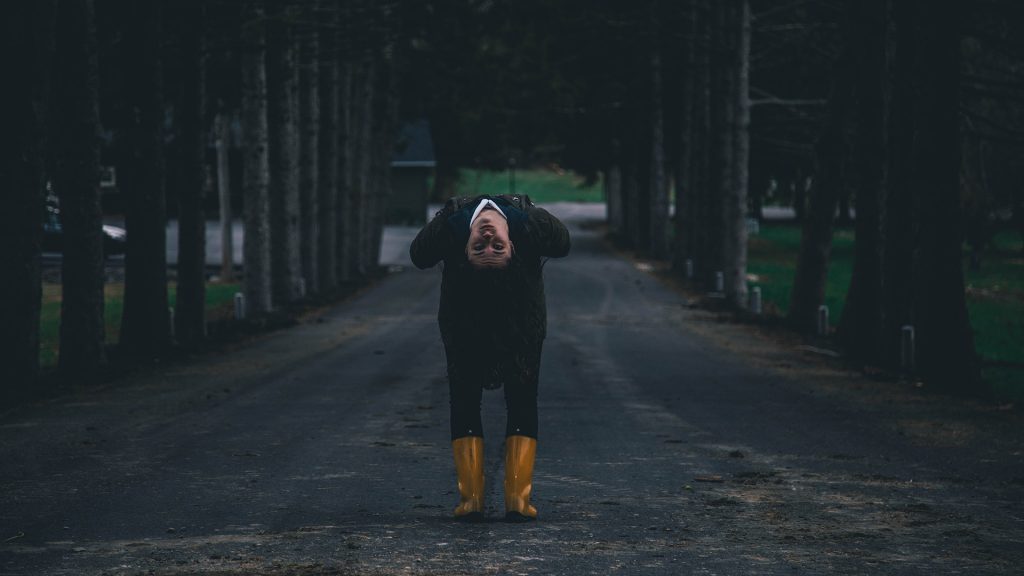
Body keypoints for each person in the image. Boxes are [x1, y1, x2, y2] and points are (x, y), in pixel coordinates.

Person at [410, 194, 570, 522]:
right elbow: (562, 241)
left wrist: (452, 217)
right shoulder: (526, 228)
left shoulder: (454, 231)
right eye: (494, 248)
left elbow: (419, 254)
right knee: (465, 401)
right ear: (512, 245)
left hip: (520, 325)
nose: (488, 241)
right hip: (465, 325)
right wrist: (524, 216)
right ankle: (471, 500)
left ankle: (518, 500)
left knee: (522, 399)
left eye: (485, 248)